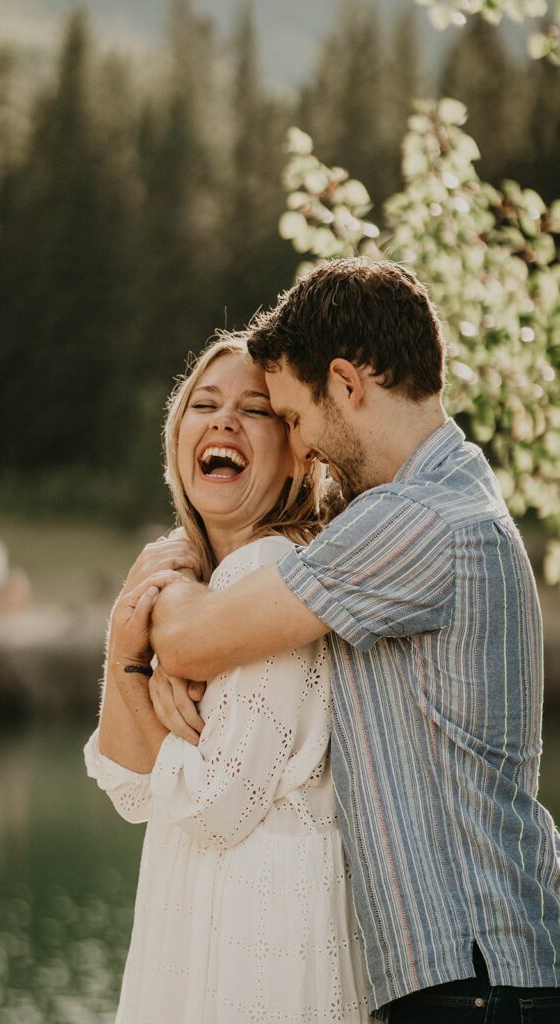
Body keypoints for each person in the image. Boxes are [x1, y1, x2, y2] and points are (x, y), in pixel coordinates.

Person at [140, 258, 560, 1022]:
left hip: (475, 982)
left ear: (346, 383)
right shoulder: (453, 499)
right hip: (481, 974)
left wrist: (161, 585)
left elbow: (194, 640)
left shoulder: (413, 522)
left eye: (294, 419)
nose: (302, 450)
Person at [85, 335, 371, 1023]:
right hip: (207, 919)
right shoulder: (202, 590)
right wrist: (133, 653)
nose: (221, 422)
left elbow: (216, 804)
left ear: (294, 454)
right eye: (204, 404)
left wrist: (133, 671)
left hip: (258, 940)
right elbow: (131, 785)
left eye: (253, 410)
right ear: (175, 436)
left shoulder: (269, 573)